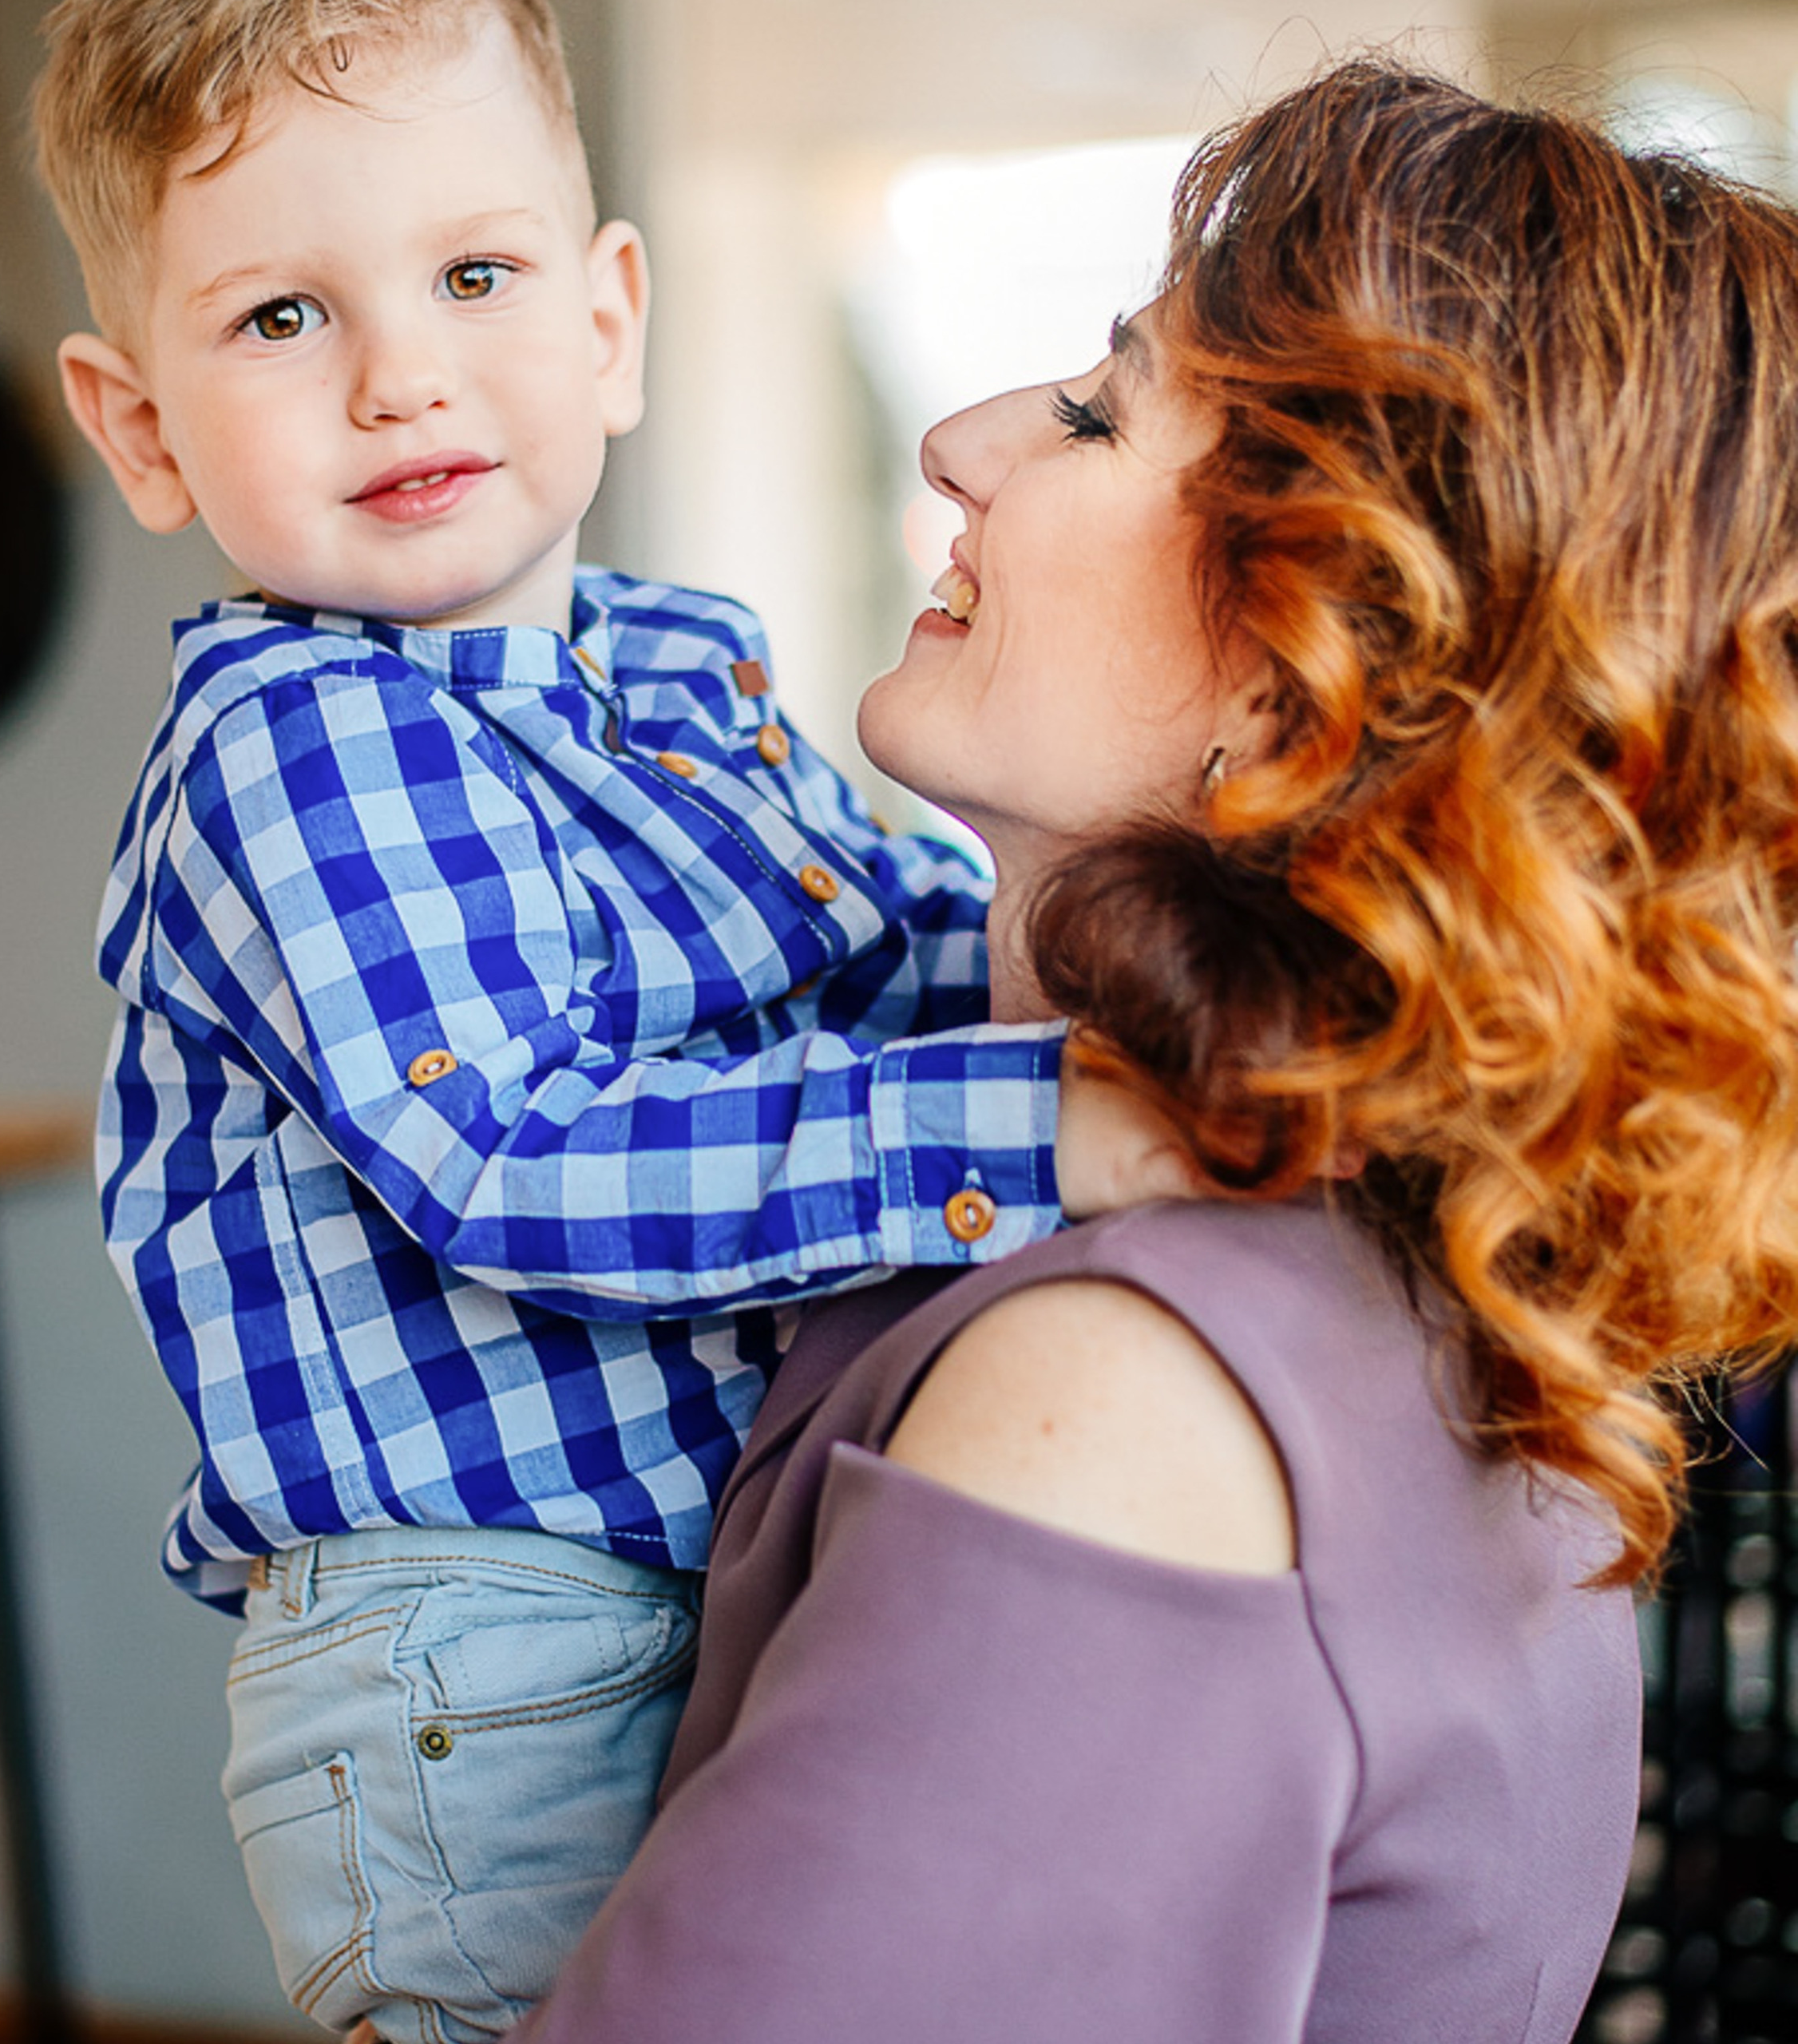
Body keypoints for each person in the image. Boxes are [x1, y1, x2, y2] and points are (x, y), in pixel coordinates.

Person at [499, 61, 1798, 2043]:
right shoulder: (1439, 1284)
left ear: (1307, 674)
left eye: (1098, 412)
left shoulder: (1124, 1401)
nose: (956, 440)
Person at [29, 3, 1172, 2038]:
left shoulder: (678, 670)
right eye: (281, 316)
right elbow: (514, 1151)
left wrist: (1171, 990)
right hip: (487, 1652)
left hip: (675, 1575)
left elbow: (891, 954)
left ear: (608, 320)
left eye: (474, 276)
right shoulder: (291, 741)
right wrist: (1039, 1125)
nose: (400, 375)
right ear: (142, 432)